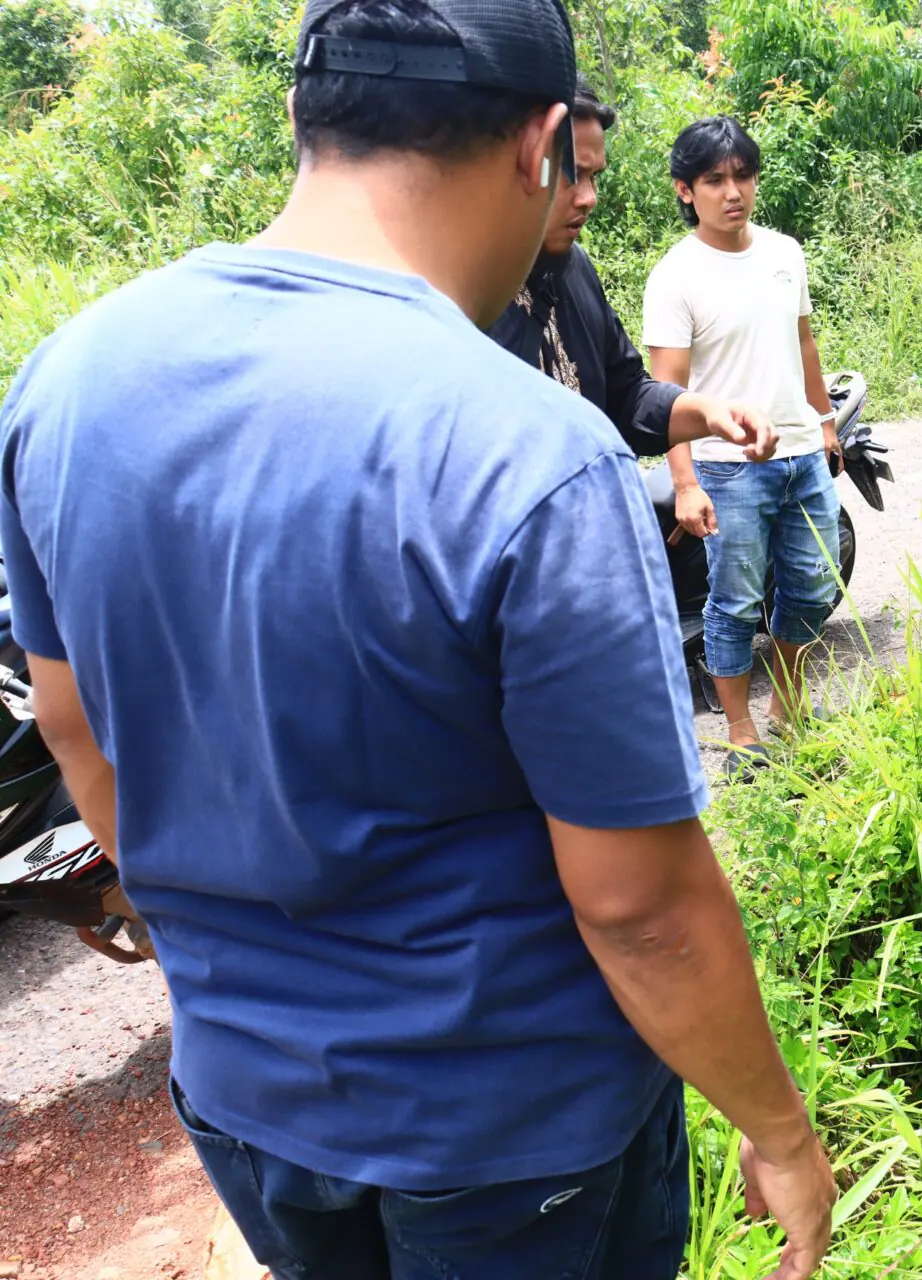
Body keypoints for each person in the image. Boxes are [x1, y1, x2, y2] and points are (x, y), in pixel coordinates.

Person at [0, 1, 834, 1277]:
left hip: (247, 1098)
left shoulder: (64, 383)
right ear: (541, 143)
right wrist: (778, 1128)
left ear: (300, 117)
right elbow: (642, 905)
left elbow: (77, 734)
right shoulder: (533, 456)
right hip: (513, 1137)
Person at [644, 115, 840, 777]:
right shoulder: (676, 276)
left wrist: (827, 419)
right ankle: (739, 729)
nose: (734, 191)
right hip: (727, 470)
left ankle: (788, 706)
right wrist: (687, 482)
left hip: (802, 453)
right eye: (715, 180)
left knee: (813, 590)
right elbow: (664, 393)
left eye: (744, 176)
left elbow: (804, 343)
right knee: (732, 603)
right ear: (685, 190)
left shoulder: (785, 253)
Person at [488, 82, 772, 459]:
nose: (590, 198)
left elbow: (627, 396)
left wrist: (708, 411)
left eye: (595, 177)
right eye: (572, 174)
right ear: (522, 163)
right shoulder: (466, 294)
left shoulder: (575, 270)